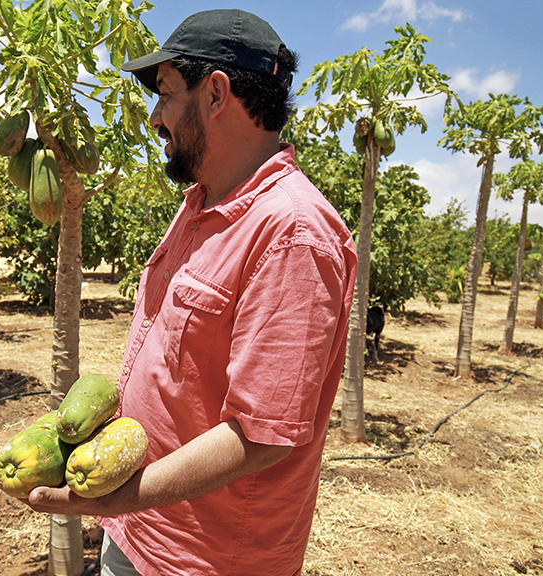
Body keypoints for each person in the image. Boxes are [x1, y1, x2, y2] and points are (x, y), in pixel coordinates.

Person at [24, 9, 357, 575]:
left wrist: (116, 497)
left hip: (203, 557)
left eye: (166, 95)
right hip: (138, 529)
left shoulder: (293, 233)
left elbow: (262, 435)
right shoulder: (200, 205)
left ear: (217, 93)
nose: (155, 117)